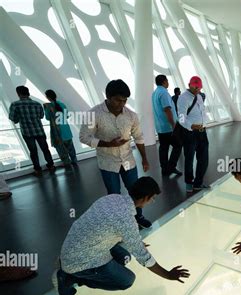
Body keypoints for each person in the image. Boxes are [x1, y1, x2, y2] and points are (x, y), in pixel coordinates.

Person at [53, 177, 190, 295]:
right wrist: (168, 275)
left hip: (71, 249)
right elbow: (144, 257)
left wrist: (134, 240)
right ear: (145, 198)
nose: (152, 201)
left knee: (125, 258)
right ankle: (69, 278)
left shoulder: (112, 198)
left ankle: (71, 268)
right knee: (127, 280)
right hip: (78, 262)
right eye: (152, 198)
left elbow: (108, 226)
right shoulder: (126, 220)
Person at [79, 79, 152, 229]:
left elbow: (138, 137)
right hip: (108, 162)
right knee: (114, 195)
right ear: (108, 97)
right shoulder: (94, 114)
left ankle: (138, 217)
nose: (122, 104)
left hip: (127, 160)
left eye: (125, 100)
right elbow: (84, 137)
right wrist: (107, 144)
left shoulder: (131, 115)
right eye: (118, 100)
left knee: (136, 191)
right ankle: (120, 223)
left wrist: (144, 158)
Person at [9, 86, 56, 177]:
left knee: (33, 151)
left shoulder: (15, 104)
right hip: (39, 130)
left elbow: (13, 118)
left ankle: (38, 170)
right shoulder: (37, 104)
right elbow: (41, 116)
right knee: (45, 149)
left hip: (27, 132)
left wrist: (20, 118)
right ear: (28, 93)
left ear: (18, 94)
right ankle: (51, 165)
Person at [176, 76, 209, 193]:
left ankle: (198, 183)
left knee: (204, 159)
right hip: (190, 133)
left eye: (199, 87)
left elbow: (202, 111)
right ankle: (189, 182)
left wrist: (204, 122)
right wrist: (191, 126)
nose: (197, 89)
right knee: (189, 158)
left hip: (202, 132)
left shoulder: (199, 96)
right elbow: (181, 117)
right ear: (189, 84)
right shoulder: (183, 98)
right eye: (195, 87)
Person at [152, 75, 182, 177]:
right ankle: (171, 167)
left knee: (163, 148)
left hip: (160, 127)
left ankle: (165, 169)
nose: (168, 82)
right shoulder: (164, 93)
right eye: (167, 81)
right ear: (164, 81)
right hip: (168, 127)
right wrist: (173, 125)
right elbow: (167, 110)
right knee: (178, 146)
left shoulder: (155, 93)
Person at [43, 90, 78, 169]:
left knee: (61, 149)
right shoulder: (62, 104)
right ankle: (74, 160)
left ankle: (66, 163)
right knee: (70, 147)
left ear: (48, 97)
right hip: (66, 129)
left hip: (57, 131)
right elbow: (67, 116)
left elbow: (48, 118)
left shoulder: (48, 106)